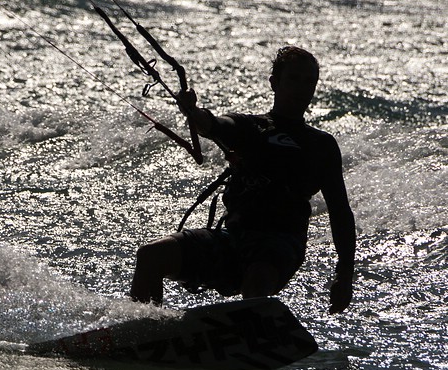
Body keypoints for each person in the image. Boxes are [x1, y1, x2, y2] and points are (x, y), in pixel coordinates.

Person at [129, 46, 356, 313]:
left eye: (309, 82)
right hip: (232, 239)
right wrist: (193, 111)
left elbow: (340, 212)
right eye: (293, 79)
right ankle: (144, 333)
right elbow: (213, 125)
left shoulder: (321, 145)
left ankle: (251, 335)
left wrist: (344, 275)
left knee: (257, 281)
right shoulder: (249, 127)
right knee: (151, 255)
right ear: (274, 83)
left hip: (280, 245)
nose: (301, 89)